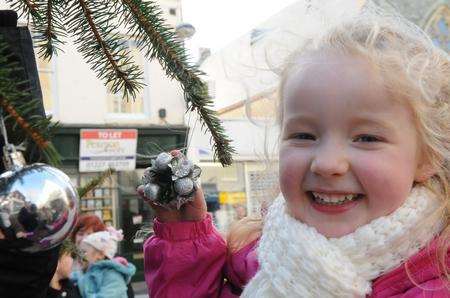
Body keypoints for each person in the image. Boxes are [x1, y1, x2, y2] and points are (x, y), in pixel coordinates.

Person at [139, 2, 450, 297]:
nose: (327, 164)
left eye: (366, 138)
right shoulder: (252, 255)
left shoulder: (435, 282)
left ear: (428, 157)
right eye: (304, 135)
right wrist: (185, 241)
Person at [71, 227, 136, 298]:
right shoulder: (88, 271)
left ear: (100, 255)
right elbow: (75, 276)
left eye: (84, 252)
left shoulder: (113, 275)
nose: (80, 256)